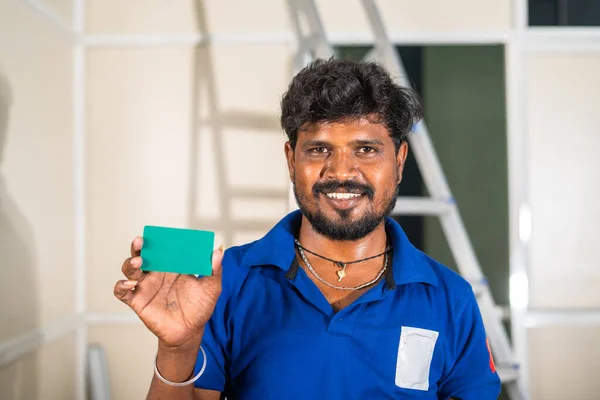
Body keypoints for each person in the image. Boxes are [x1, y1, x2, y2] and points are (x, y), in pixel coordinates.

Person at [114, 58, 501, 400]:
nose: (341, 172)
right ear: (291, 159)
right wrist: (178, 348)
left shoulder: (450, 298)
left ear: (399, 160)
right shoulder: (223, 281)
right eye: (319, 149)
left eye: (366, 149)